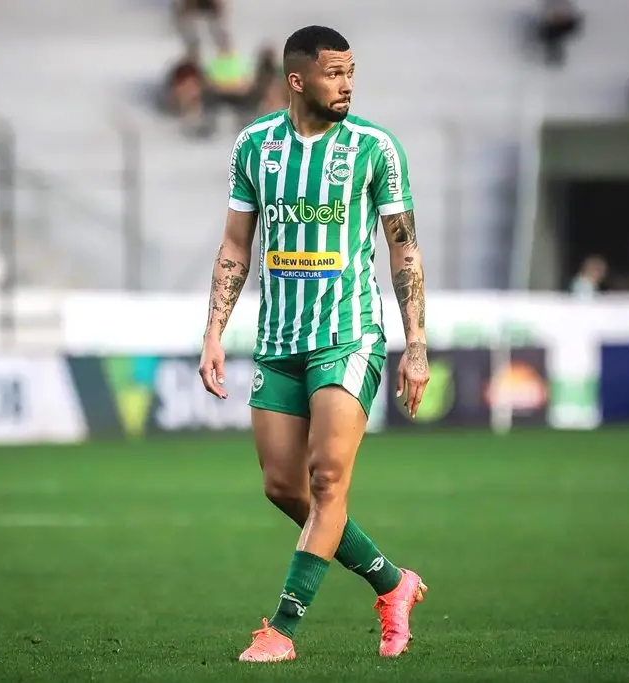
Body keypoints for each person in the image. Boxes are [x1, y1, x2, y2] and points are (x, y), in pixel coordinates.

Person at [197, 25, 430, 663]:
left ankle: (281, 630)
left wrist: (415, 345)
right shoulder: (254, 146)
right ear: (297, 80)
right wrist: (214, 332)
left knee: (327, 480)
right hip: (278, 340)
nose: (347, 84)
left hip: (348, 336)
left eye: (351, 71)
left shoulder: (375, 149)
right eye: (334, 73)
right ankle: (393, 583)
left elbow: (404, 251)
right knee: (283, 486)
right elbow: (236, 246)